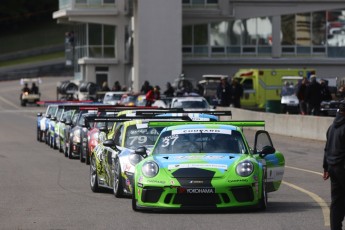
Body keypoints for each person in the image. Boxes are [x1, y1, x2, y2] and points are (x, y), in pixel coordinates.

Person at [323, 101, 345, 230]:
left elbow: (327, 149)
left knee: (337, 201)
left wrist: (325, 168)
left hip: (332, 167)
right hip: (342, 167)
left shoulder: (332, 127)